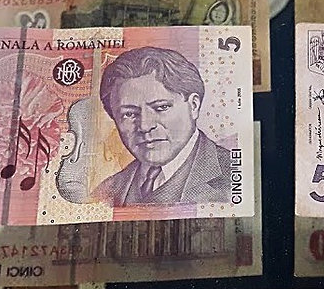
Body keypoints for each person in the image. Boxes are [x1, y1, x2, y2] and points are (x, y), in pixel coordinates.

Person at [93, 46, 230, 206]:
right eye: (129, 114)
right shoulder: (105, 191)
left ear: (193, 105)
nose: (145, 126)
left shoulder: (233, 175)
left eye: (161, 107)